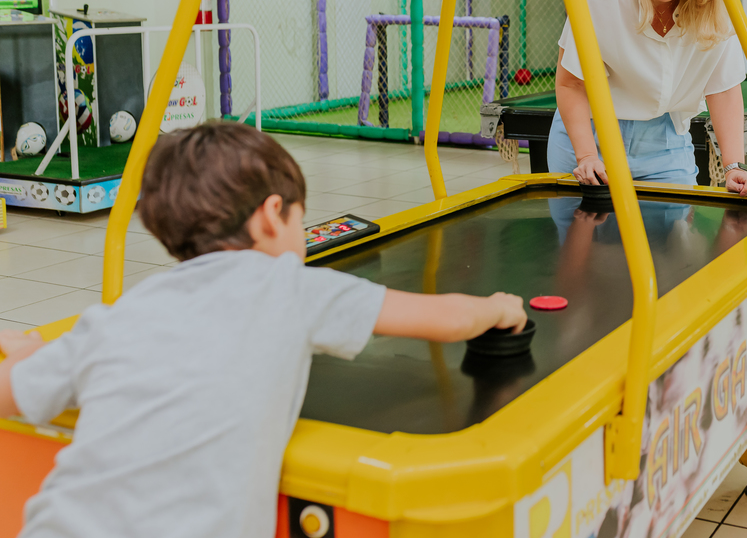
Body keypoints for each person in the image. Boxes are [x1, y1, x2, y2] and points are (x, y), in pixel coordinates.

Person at [0, 121, 525, 538]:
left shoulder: (124, 311)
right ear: (273, 215)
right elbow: (448, 320)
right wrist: (498, 307)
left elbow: (10, 392)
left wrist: (31, 354)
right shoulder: (290, 288)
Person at [551, 0, 747, 196]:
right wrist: (586, 156)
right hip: (588, 132)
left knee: (673, 227)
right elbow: (571, 83)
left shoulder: (718, 11)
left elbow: (724, 89)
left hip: (664, 142)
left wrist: (734, 166)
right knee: (582, 226)